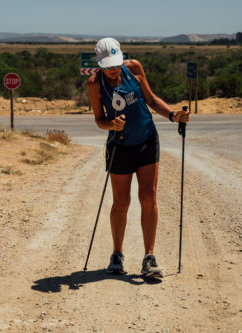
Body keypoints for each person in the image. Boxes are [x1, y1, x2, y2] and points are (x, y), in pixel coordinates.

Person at [87, 37, 189, 278]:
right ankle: (117, 254)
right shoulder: (94, 83)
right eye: (107, 65)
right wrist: (111, 124)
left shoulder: (133, 68)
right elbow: (99, 120)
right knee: (121, 203)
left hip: (147, 140)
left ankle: (149, 258)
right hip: (119, 146)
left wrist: (173, 115)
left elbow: (151, 99)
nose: (112, 70)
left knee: (148, 196)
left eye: (115, 64)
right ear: (99, 64)